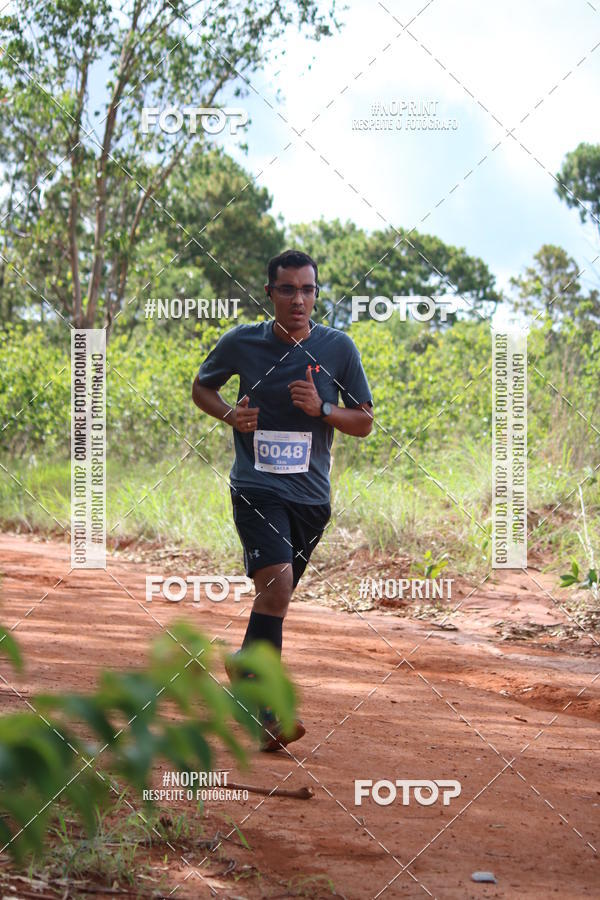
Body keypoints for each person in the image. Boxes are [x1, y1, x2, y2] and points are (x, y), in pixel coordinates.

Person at [192, 249, 373, 750]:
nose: (299, 299)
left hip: (312, 499)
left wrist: (323, 408)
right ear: (269, 292)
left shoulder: (339, 349)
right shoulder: (242, 343)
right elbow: (202, 388)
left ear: (317, 293)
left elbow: (364, 422)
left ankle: (244, 665)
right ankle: (268, 714)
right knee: (278, 586)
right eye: (288, 289)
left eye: (308, 289)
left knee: (276, 597)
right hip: (256, 487)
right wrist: (230, 415)